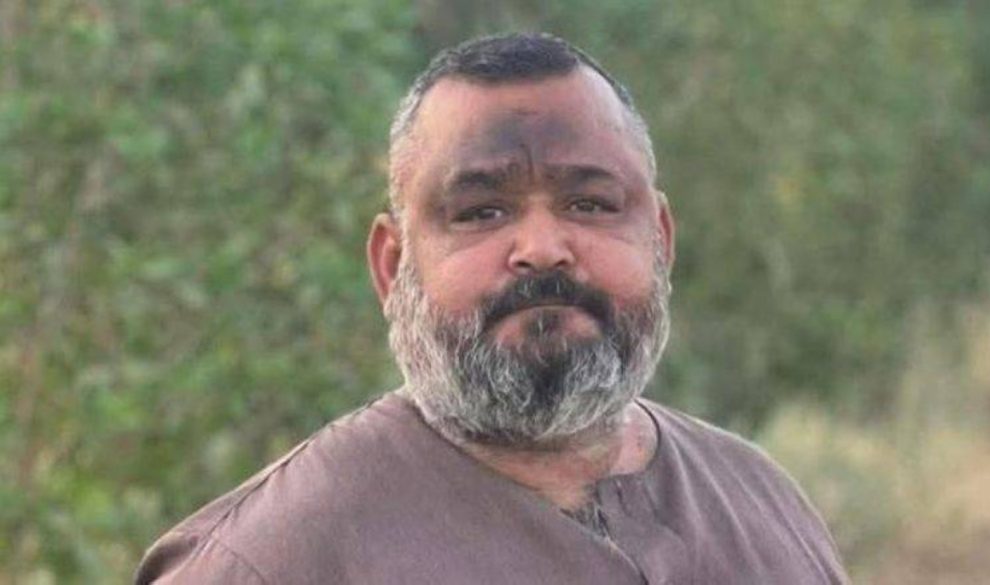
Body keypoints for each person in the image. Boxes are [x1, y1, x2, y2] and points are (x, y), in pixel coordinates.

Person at [136, 33, 849, 584]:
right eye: (481, 212)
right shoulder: (268, 560)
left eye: (590, 204)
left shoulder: (761, 505)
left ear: (660, 240)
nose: (542, 249)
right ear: (391, 266)